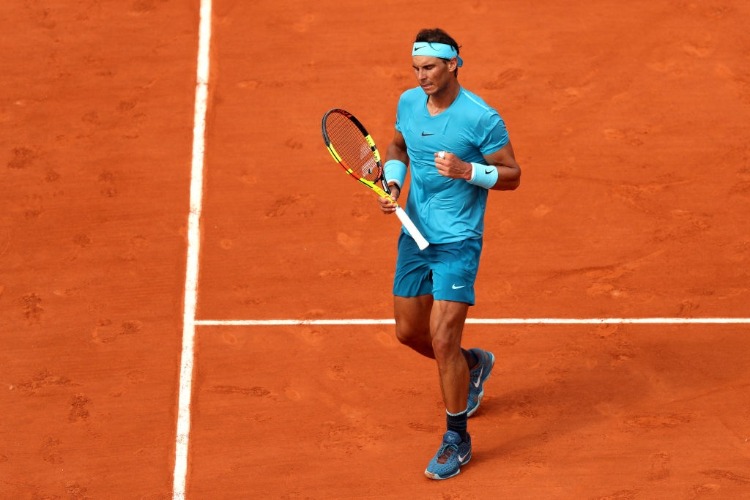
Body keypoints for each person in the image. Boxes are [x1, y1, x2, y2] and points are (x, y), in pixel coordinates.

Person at [378, 28, 522, 480]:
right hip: (414, 233)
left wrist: (468, 170)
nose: (421, 77)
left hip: (458, 240)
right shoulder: (407, 103)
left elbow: (513, 175)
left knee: (443, 339)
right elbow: (399, 147)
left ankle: (456, 438)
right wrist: (394, 181)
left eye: (430, 68)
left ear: (453, 64)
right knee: (408, 332)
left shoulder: (481, 118)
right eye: (416, 69)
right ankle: (474, 363)